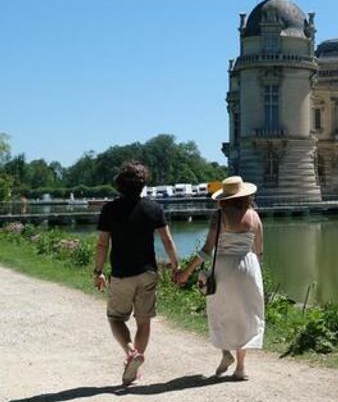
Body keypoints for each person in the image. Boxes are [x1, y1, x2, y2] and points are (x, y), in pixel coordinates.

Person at [94, 161, 179, 386]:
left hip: (122, 274)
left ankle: (131, 354)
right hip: (147, 273)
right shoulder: (154, 208)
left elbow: (102, 245)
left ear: (119, 185)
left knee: (115, 318)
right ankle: (135, 365)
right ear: (143, 184)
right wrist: (176, 266)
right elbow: (167, 240)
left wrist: (98, 271)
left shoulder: (109, 209)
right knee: (144, 322)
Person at [176, 176, 264, 380]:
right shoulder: (255, 216)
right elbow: (259, 250)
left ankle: (225, 353)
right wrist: (255, 273)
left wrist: (186, 272)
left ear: (223, 198)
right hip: (249, 266)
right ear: (246, 195)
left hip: (224, 266)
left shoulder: (219, 216)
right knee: (246, 314)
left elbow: (207, 251)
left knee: (219, 311)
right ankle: (241, 368)